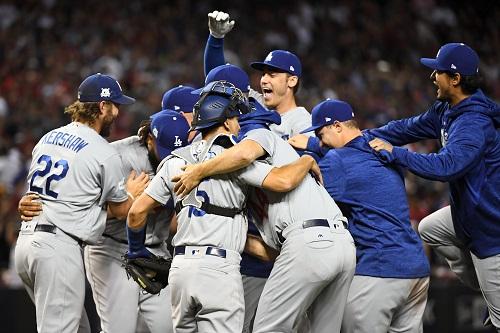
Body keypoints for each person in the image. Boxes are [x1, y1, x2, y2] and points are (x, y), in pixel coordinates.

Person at [127, 80, 320, 333]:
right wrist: (307, 160)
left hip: (180, 271)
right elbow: (283, 180)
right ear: (227, 122)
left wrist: (137, 251)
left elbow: (135, 213)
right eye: (236, 119)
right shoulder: (233, 161)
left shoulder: (174, 161)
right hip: (218, 270)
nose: (239, 125)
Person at [172, 95, 356, 333]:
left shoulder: (258, 135)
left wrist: (197, 171)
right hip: (341, 244)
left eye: (236, 118)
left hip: (308, 240)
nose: (233, 124)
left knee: (266, 329)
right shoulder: (262, 166)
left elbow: (265, 169)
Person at [367, 43, 500, 330]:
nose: (432, 76)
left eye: (438, 71)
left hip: (492, 232)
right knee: (430, 228)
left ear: (455, 79)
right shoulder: (447, 108)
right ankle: (487, 285)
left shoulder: (474, 123)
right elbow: (406, 128)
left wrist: (396, 153)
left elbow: (446, 166)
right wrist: (360, 137)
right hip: (472, 218)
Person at [14, 73, 149, 333]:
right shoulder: (102, 151)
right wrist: (132, 193)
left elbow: (42, 197)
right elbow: (121, 210)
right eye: (115, 105)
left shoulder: (47, 138)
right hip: (57, 248)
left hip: (27, 245)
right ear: (102, 106)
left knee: (78, 329)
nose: (118, 112)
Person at [293, 99, 430, 332]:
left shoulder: (338, 161)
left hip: (379, 270)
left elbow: (303, 201)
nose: (321, 139)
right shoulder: (382, 147)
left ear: (337, 126)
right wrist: (317, 144)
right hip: (416, 270)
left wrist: (308, 155)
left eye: (321, 132)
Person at [204, 10, 312, 140]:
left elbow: (308, 160)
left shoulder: (302, 121)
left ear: (292, 81)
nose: (264, 80)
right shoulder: (254, 102)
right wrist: (216, 38)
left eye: (272, 75)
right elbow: (218, 81)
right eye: (263, 74)